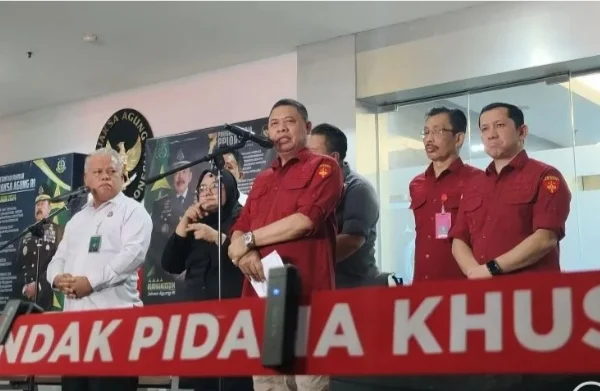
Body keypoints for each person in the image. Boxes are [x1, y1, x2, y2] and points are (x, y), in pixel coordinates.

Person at [228, 99, 343, 391]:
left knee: (308, 383)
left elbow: (304, 221)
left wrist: (250, 242)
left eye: (289, 122)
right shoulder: (263, 178)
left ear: (306, 127)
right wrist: (244, 255)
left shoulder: (324, 168)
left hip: (306, 297)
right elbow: (238, 232)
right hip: (261, 297)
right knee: (268, 384)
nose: (281, 129)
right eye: (274, 124)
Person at [46, 147, 152, 391]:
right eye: (98, 171)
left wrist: (90, 282)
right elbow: (57, 259)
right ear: (86, 179)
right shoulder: (76, 220)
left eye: (111, 171)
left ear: (122, 176)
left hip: (116, 327)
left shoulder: (134, 212)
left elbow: (132, 256)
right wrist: (57, 279)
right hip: (75, 331)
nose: (105, 176)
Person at [449, 102, 571, 278]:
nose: (491, 134)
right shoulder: (474, 184)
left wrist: (490, 269)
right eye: (484, 129)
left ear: (522, 132)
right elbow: (459, 239)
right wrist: (473, 272)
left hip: (530, 292)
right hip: (484, 293)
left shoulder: (545, 176)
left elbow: (546, 238)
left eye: (499, 125)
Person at [161, 168, 252, 391]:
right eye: (202, 188)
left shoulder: (243, 218)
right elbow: (170, 264)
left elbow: (249, 261)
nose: (208, 192)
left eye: (215, 187)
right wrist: (183, 223)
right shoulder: (195, 221)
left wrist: (216, 237)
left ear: (229, 190)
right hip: (198, 325)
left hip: (235, 324)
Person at [409, 107, 482, 283]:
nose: (429, 139)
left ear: (458, 138)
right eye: (426, 132)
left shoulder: (478, 181)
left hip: (461, 283)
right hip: (422, 283)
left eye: (437, 131)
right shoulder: (416, 184)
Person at [308, 123, 380, 288]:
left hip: (354, 286)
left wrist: (310, 260)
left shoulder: (359, 188)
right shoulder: (312, 188)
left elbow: (352, 240)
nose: (308, 160)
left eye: (313, 154)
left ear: (334, 157)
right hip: (322, 284)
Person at [17, 184, 64, 310]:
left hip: (47, 295)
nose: (39, 207)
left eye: (43, 203)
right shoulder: (26, 233)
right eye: (37, 204)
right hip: (25, 296)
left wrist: (38, 286)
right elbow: (18, 266)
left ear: (49, 207)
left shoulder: (58, 231)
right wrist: (25, 287)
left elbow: (59, 262)